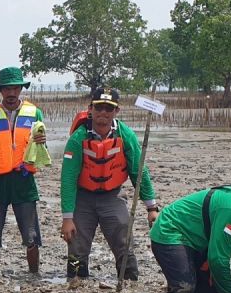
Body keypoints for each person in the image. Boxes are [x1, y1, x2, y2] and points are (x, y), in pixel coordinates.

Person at [60, 87, 159, 280]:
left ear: (116, 111)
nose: (103, 113)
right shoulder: (77, 138)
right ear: (91, 109)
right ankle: (76, 281)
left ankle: (129, 279)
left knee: (123, 235)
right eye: (99, 108)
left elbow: (139, 172)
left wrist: (151, 207)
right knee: (76, 244)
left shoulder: (126, 135)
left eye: (109, 108)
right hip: (83, 198)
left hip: (112, 196)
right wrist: (67, 218)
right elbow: (68, 179)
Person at [0, 67, 46, 273]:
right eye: (7, 89)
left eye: (15, 88)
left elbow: (41, 153)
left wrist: (42, 143)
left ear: (21, 89)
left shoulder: (35, 113)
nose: (11, 93)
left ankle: (34, 275)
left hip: (24, 181)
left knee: (31, 235)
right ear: (1, 91)